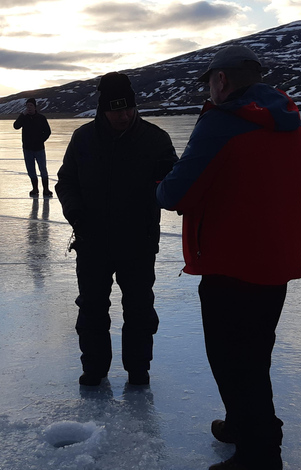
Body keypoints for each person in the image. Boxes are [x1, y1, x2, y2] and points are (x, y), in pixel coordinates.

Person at [156, 46, 301, 470]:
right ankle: (244, 425)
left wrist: (160, 186)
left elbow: (176, 194)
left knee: (233, 360)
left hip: (230, 261)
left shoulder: (221, 123)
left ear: (221, 80)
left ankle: (260, 456)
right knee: (255, 355)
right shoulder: (290, 121)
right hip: (274, 260)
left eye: (209, 81)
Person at [56, 72, 178, 387]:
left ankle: (139, 370)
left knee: (139, 309)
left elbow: (172, 187)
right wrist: (74, 210)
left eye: (128, 109)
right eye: (115, 110)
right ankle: (94, 369)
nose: (123, 116)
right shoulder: (83, 139)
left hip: (138, 242)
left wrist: (168, 185)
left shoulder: (155, 139)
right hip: (91, 241)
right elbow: (66, 181)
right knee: (92, 308)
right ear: (103, 109)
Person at [14, 98, 52, 197]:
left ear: (35, 107)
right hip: (27, 149)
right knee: (31, 169)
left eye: (31, 106)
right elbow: (16, 126)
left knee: (43, 168)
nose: (29, 108)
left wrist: (41, 140)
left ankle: (46, 189)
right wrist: (22, 115)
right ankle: (35, 189)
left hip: (39, 148)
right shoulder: (24, 118)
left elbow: (47, 131)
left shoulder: (41, 118)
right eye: (27, 106)